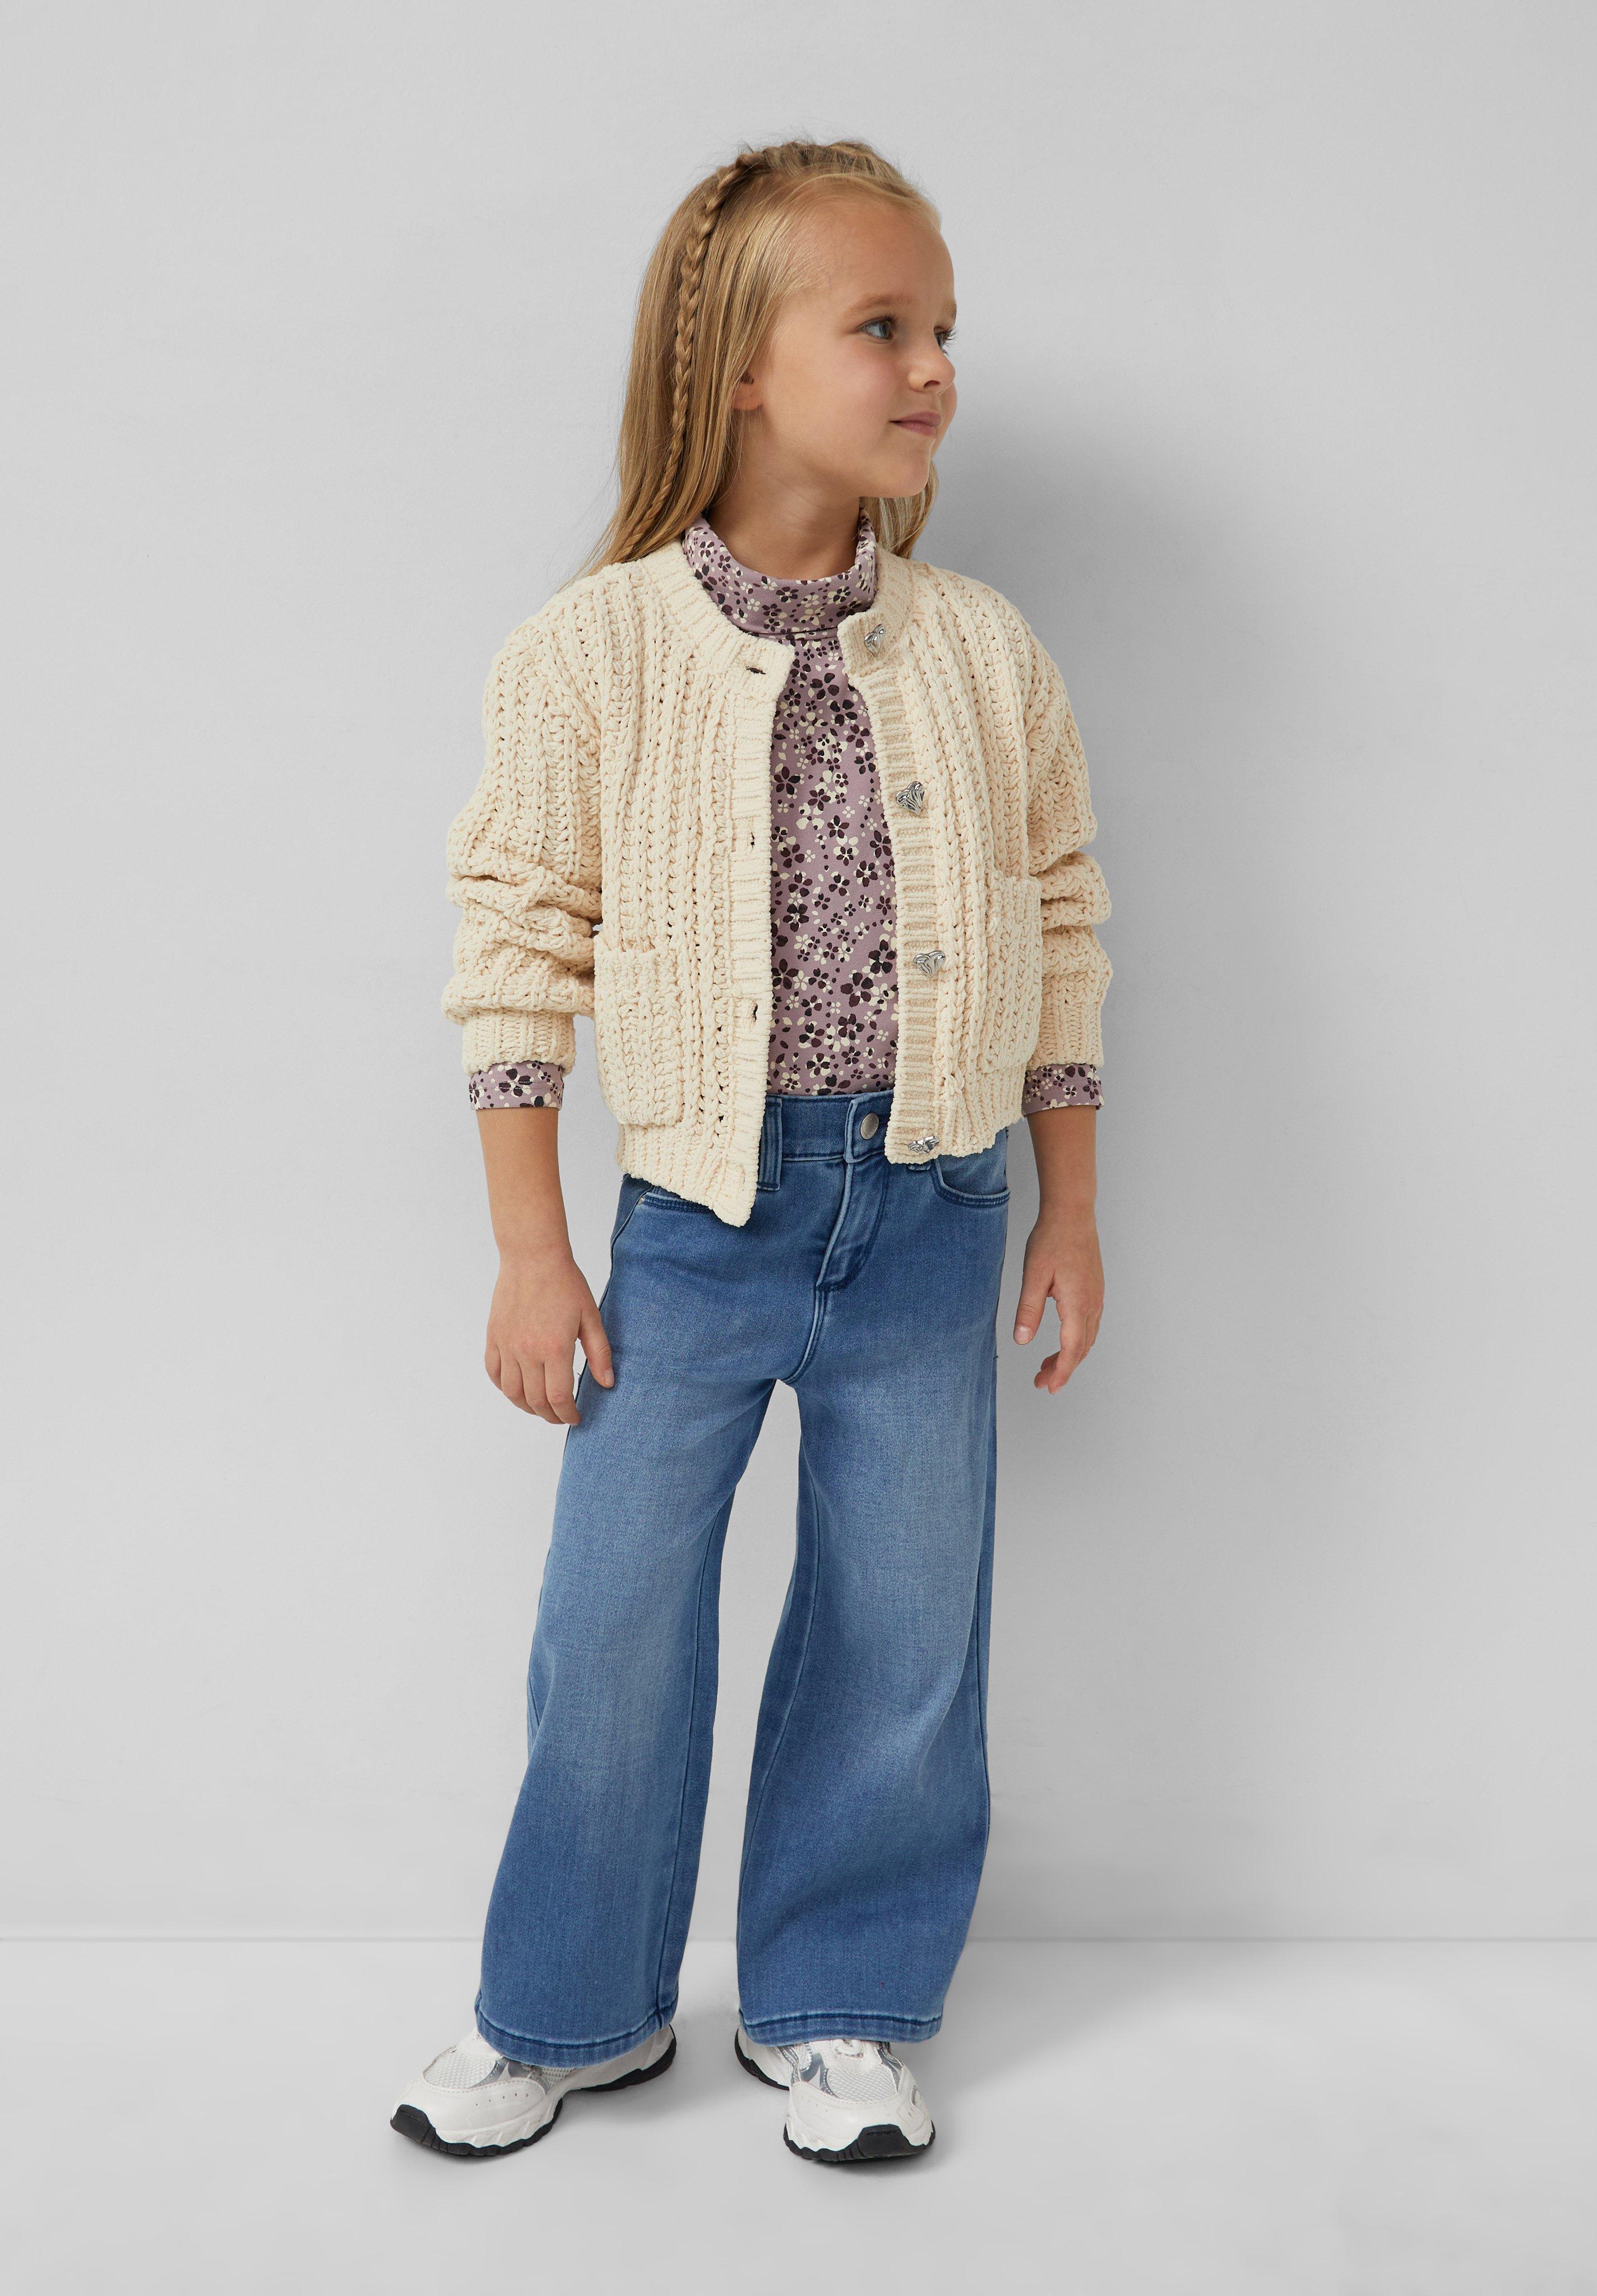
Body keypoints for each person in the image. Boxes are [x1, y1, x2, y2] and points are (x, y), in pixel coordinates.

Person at [391, 137, 1113, 2169]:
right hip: (696, 1225)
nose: (933, 367)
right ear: (733, 364)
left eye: (944, 328)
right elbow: (516, 953)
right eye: (882, 326)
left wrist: (1071, 1206)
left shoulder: (981, 650)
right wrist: (532, 1253)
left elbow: (1063, 920)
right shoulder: (594, 651)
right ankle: (570, 2011)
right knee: (613, 1630)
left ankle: (841, 2004)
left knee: (904, 1633)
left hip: (937, 1209)